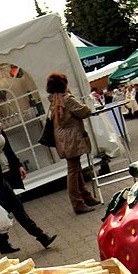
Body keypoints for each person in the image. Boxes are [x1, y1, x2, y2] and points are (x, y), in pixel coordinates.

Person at [0, 90, 56, 255]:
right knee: (17, 207)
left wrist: (18, 164)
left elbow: (7, 148)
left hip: (7, 171)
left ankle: (3, 244)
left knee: (5, 208)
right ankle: (41, 236)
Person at [46, 72, 100, 215]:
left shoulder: (54, 100)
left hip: (63, 138)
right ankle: (78, 203)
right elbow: (84, 111)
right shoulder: (66, 99)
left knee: (76, 168)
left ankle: (85, 197)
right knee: (73, 170)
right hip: (71, 138)